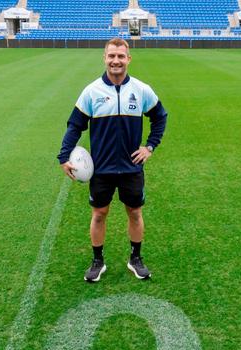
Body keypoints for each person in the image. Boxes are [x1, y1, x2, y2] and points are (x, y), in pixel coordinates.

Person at [57, 37, 168, 282]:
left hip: (131, 167)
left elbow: (160, 116)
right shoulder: (91, 91)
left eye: (120, 56)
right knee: (99, 214)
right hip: (102, 169)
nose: (115, 61)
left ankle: (135, 259)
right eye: (111, 56)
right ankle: (98, 261)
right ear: (104, 58)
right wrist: (64, 156)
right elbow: (75, 125)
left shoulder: (141, 90)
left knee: (135, 212)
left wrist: (149, 146)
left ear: (128, 59)